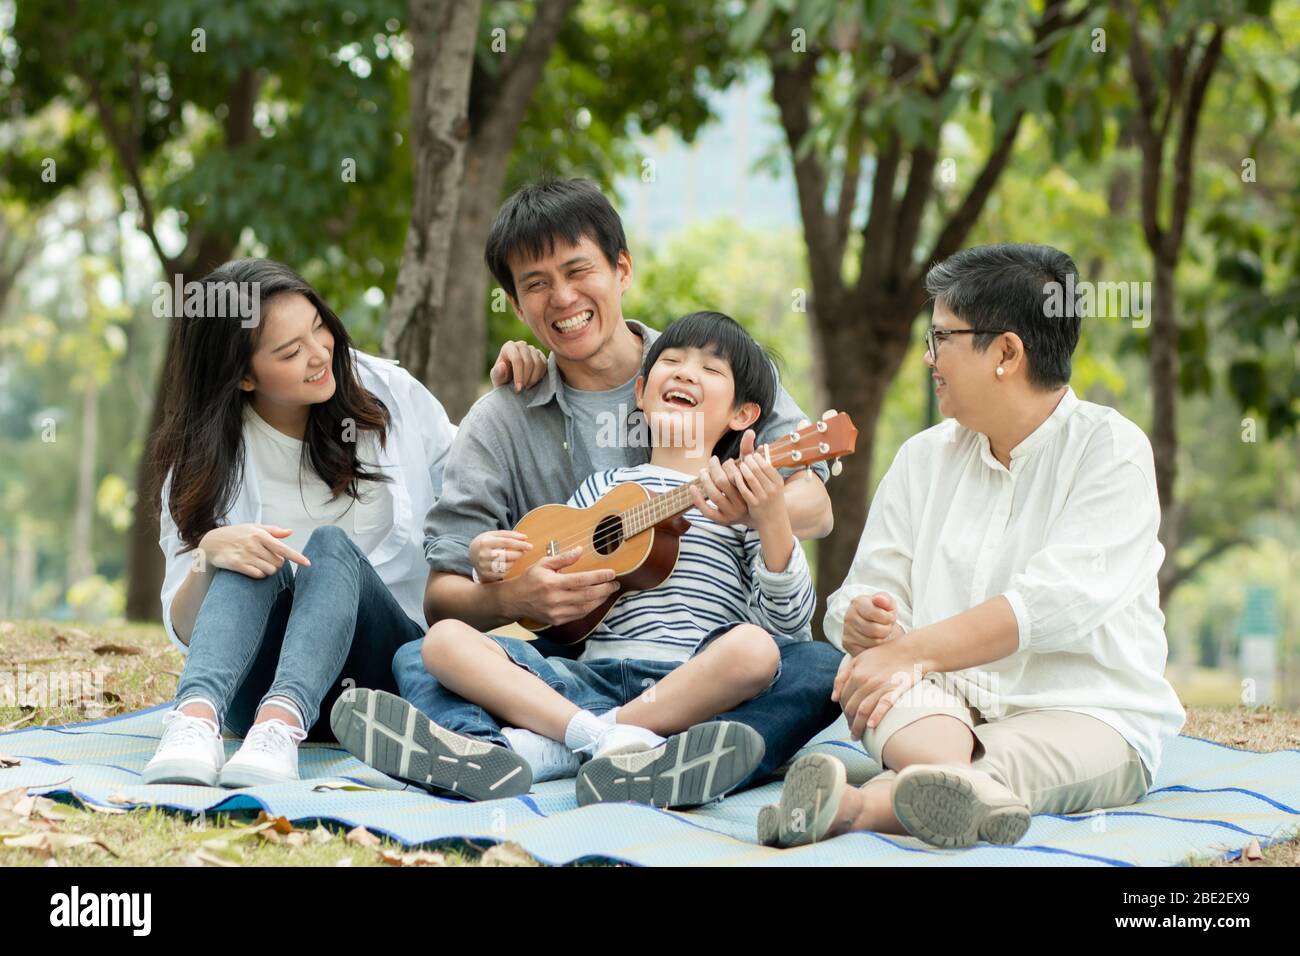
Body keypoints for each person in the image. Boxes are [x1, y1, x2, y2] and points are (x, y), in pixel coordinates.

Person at [331, 179, 845, 805]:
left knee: (813, 666)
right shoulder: (506, 418)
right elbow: (445, 595)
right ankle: (526, 752)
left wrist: (752, 511)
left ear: (621, 269)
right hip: (579, 658)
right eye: (536, 284)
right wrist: (515, 590)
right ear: (517, 306)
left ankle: (566, 749)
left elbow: (813, 505)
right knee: (424, 653)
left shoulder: (701, 358)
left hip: (701, 661)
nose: (563, 298)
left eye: (579, 270)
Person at [763, 243, 1186, 849]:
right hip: (937, 705)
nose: (929, 358)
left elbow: (1051, 605)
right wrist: (864, 623)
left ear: (1006, 352)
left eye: (941, 339)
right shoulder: (923, 458)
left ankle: (854, 806)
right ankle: (943, 791)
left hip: (1085, 712)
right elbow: (863, 592)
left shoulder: (1110, 451)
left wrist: (912, 654)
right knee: (874, 676)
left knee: (1001, 761)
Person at [142, 258, 547, 788]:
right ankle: (194, 723)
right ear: (243, 376)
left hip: (380, 679)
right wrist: (208, 556)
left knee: (329, 547)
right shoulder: (201, 463)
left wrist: (516, 399)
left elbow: (480, 481)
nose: (318, 356)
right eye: (289, 352)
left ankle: (283, 727)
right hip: (253, 686)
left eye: (319, 329)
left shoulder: (389, 394)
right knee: (245, 553)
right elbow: (188, 629)